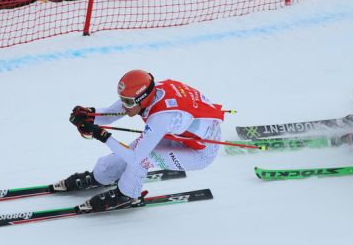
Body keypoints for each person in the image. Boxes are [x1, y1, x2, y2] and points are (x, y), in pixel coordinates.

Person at [54, 70, 225, 213]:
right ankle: (100, 176)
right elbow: (111, 113)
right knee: (132, 151)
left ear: (142, 99)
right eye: (121, 99)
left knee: (143, 158)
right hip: (178, 135)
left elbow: (135, 159)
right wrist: (90, 115)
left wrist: (102, 135)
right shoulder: (145, 93)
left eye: (127, 102)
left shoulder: (161, 118)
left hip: (201, 151)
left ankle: (127, 194)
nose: (123, 105)